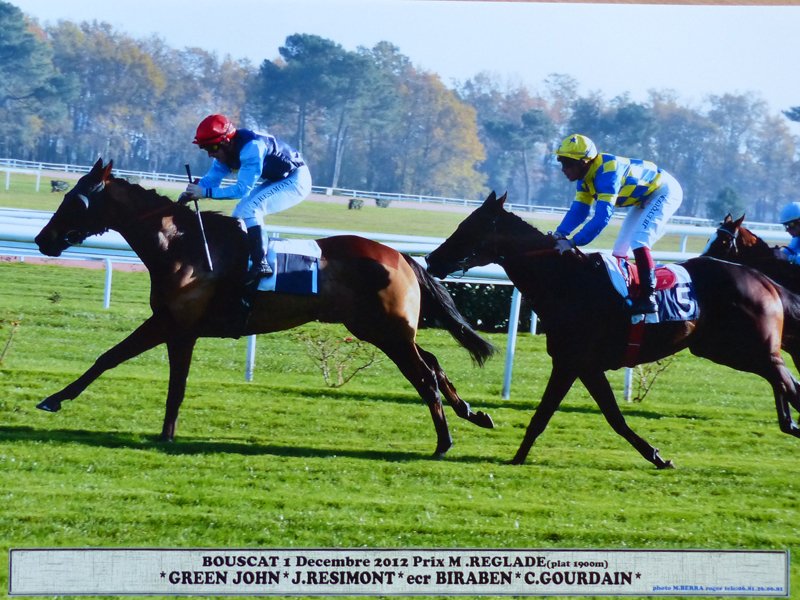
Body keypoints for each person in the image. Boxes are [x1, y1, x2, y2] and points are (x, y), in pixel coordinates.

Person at [551, 133, 683, 314]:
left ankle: (648, 298)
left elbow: (602, 217)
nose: (563, 169)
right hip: (644, 197)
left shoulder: (607, 174)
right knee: (620, 250)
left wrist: (573, 242)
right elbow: (579, 211)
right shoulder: (585, 178)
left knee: (639, 240)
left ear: (584, 162)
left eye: (567, 163)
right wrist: (559, 233)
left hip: (664, 191)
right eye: (561, 162)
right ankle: (627, 293)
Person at [180, 114, 312, 284]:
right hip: (279, 179)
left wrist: (205, 193)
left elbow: (241, 190)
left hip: (296, 180)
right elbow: (211, 180)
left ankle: (260, 263)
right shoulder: (226, 151)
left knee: (251, 209)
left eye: (212, 148)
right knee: (239, 214)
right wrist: (189, 193)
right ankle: (243, 260)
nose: (210, 154)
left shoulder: (252, 149)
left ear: (227, 141)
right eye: (205, 148)